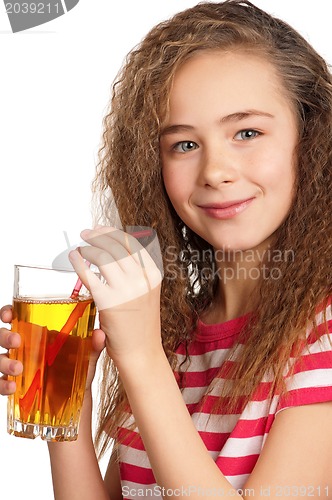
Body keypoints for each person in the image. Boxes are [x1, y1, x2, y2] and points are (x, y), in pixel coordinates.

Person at [1, 0, 332, 497]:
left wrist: (140, 358)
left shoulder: (320, 336)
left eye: (247, 132)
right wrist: (65, 398)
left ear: (310, 141)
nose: (215, 171)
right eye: (184, 144)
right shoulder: (175, 337)